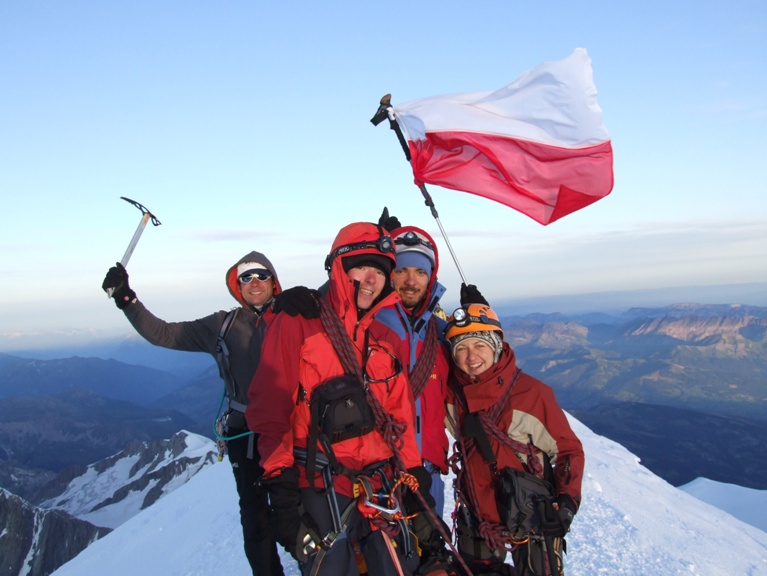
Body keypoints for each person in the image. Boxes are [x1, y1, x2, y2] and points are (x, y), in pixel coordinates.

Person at [246, 222, 429, 576]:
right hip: (319, 479)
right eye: (362, 267)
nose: (372, 279)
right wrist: (280, 484)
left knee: (397, 566)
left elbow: (397, 413)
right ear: (339, 269)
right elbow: (272, 407)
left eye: (380, 271)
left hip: (379, 481)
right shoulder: (298, 323)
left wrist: (413, 468)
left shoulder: (384, 338)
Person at [101, 253, 285, 576]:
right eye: (246, 277)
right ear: (237, 286)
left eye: (261, 275)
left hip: (290, 432)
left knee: (299, 515)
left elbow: (338, 299)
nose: (254, 282)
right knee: (256, 521)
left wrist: (381, 250)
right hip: (247, 435)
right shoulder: (222, 325)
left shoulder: (294, 316)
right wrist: (126, 299)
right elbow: (166, 334)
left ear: (273, 282)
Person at [444, 301, 585, 576]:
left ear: (496, 346)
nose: (471, 357)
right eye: (461, 348)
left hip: (532, 517)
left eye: (480, 346)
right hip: (477, 514)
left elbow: (569, 451)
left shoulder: (531, 394)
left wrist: (566, 503)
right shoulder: (452, 395)